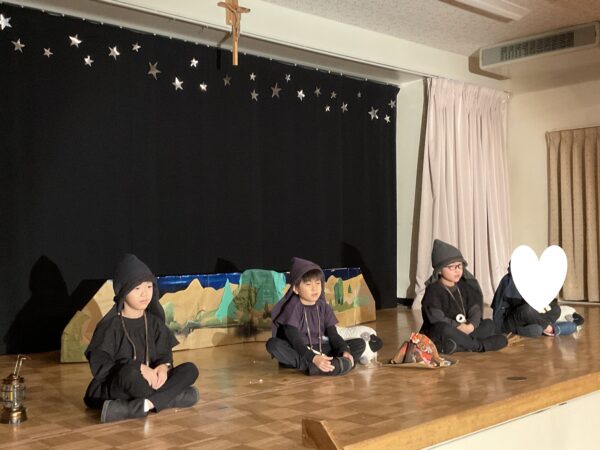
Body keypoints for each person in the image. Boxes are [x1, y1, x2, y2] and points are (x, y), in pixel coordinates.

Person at [84, 254, 199, 423]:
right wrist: (138, 368)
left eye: (149, 286)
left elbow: (164, 356)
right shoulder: (110, 327)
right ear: (123, 291)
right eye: (137, 288)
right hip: (120, 384)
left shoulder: (154, 323)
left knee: (190, 369)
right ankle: (170, 397)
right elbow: (102, 368)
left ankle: (140, 405)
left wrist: (162, 367)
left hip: (151, 383)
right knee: (130, 374)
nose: (145, 293)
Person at [266, 257, 367, 376]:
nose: (314, 288)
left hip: (320, 348)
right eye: (308, 284)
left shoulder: (324, 307)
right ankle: (316, 366)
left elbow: (333, 335)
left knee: (359, 343)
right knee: (273, 344)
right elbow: (295, 340)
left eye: (318, 283)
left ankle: (329, 365)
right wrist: (313, 358)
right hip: (299, 350)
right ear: (296, 289)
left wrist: (344, 350)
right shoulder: (292, 308)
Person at [419, 240, 507, 354]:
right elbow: (437, 318)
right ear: (439, 270)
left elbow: (475, 310)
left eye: (459, 266)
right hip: (444, 331)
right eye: (452, 267)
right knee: (444, 329)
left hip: (465, 329)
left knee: (489, 324)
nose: (457, 270)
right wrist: (458, 327)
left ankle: (457, 346)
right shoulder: (433, 289)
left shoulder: (465, 285)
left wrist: (471, 326)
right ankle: (479, 346)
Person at [491, 266, 578, 337]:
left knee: (555, 309)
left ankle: (540, 326)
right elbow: (521, 305)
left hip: (524, 315)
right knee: (529, 314)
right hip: (506, 321)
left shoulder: (528, 278)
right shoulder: (509, 281)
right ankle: (550, 329)